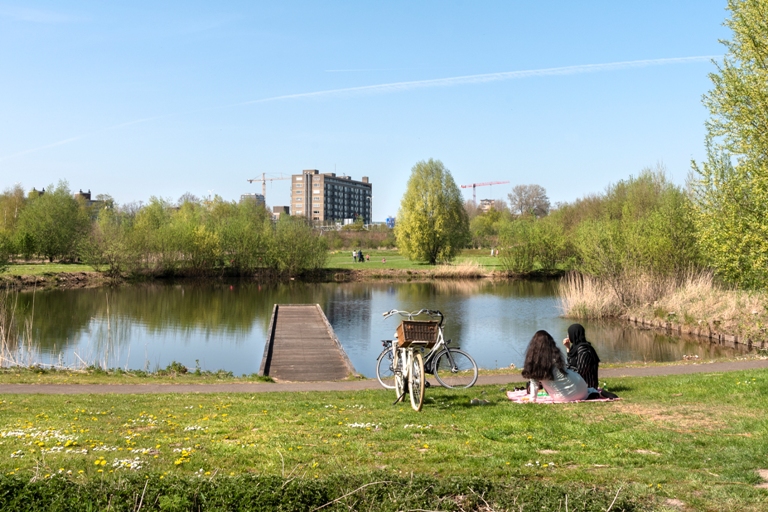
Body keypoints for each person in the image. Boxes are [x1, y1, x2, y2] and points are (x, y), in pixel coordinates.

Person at [521, 330, 588, 402]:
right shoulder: (556, 356)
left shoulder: (534, 361)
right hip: (582, 391)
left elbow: (534, 383)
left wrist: (532, 399)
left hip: (563, 397)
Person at [563, 323, 600, 389]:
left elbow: (580, 371)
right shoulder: (576, 347)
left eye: (569, 333)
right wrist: (568, 348)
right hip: (579, 382)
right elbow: (570, 363)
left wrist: (565, 370)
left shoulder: (583, 350)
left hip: (587, 386)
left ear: (574, 334)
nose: (567, 336)